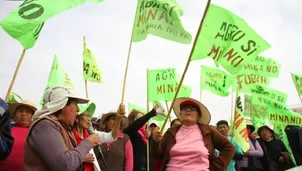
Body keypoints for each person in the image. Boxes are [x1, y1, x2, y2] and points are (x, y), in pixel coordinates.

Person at [22, 86, 114, 171]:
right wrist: (88, 142)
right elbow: (64, 164)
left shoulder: (63, 127)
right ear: (62, 105)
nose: (78, 110)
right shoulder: (45, 126)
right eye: (75, 104)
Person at [152, 97, 235, 171]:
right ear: (181, 114)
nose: (188, 110)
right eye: (184, 109)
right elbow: (158, 155)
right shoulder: (171, 132)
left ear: (199, 116)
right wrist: (155, 141)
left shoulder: (209, 131)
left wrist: (214, 168)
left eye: (192, 109)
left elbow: (229, 148)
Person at [123, 106, 164, 171]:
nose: (143, 121)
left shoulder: (146, 133)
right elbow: (136, 125)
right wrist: (151, 113)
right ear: (132, 120)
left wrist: (150, 137)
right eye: (140, 118)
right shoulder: (129, 131)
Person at [0, 99, 37, 171]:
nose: (23, 114)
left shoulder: (36, 132)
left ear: (33, 116)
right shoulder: (5, 128)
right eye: (20, 111)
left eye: (28, 112)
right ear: (14, 114)